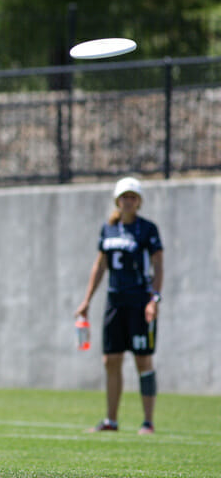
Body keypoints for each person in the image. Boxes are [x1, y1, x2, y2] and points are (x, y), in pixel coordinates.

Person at [74, 177, 163, 435]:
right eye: (124, 196)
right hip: (115, 303)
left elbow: (158, 266)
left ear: (139, 202)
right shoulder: (108, 229)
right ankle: (111, 420)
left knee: (143, 360)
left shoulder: (147, 230)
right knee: (111, 360)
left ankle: (148, 421)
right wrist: (87, 301)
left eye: (133, 197)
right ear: (117, 200)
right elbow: (100, 266)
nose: (128, 201)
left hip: (139, 302)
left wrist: (154, 299)